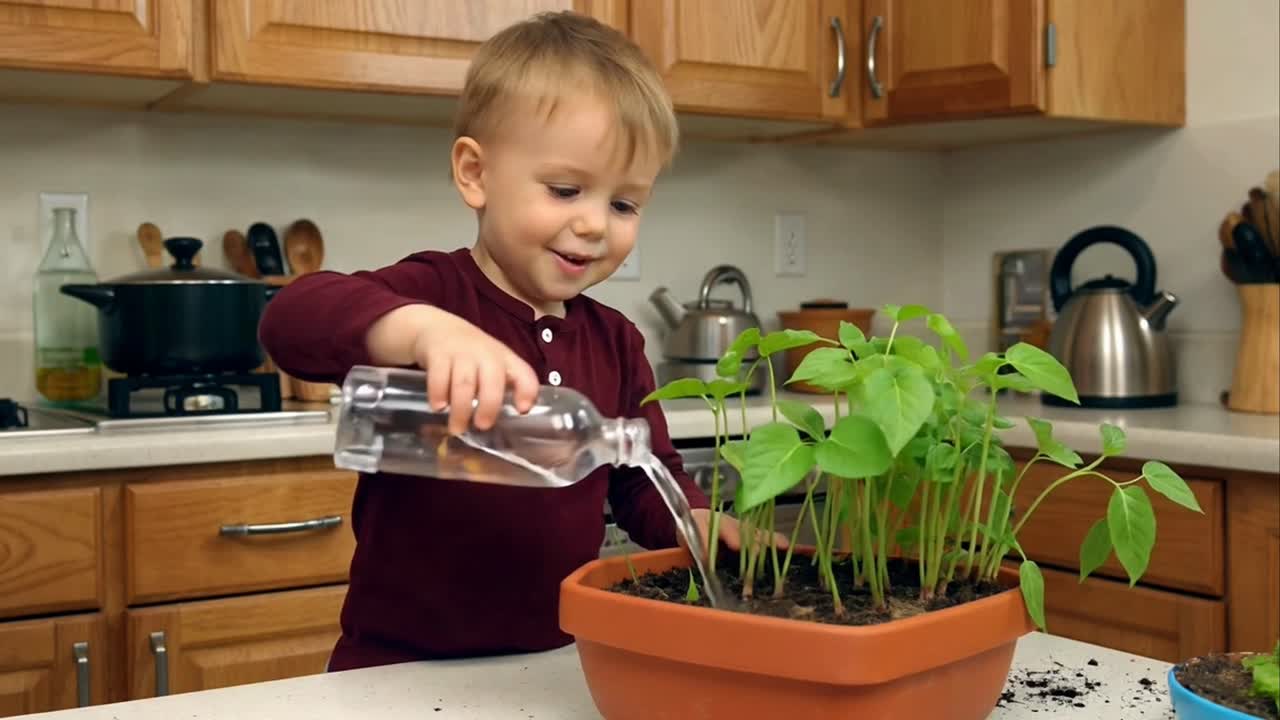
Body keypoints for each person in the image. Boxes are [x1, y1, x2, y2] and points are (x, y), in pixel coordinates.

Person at [259, 10, 776, 671]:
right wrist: (418, 329)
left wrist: (695, 521)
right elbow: (291, 319)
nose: (594, 224)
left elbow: (645, 478)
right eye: (566, 190)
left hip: (553, 659)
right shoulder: (433, 293)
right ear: (475, 174)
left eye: (624, 204)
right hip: (395, 667)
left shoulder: (616, 341)